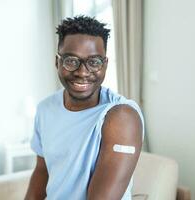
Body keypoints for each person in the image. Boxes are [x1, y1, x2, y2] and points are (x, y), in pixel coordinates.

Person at [25, 15, 144, 200]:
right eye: (71, 61)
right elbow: (42, 171)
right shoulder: (44, 109)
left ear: (105, 65)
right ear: (57, 62)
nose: (82, 72)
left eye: (94, 62)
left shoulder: (122, 117)